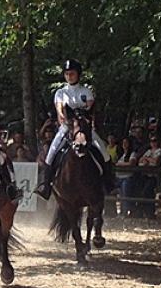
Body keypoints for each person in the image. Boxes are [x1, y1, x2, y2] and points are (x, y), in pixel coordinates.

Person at [35, 59, 116, 200]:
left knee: (104, 152)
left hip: (85, 128)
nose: (69, 76)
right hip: (67, 128)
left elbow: (90, 108)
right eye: (66, 74)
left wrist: (82, 115)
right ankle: (45, 185)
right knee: (51, 154)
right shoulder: (60, 92)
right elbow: (60, 109)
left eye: (72, 73)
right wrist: (63, 116)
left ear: (78, 74)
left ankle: (109, 183)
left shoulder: (86, 91)